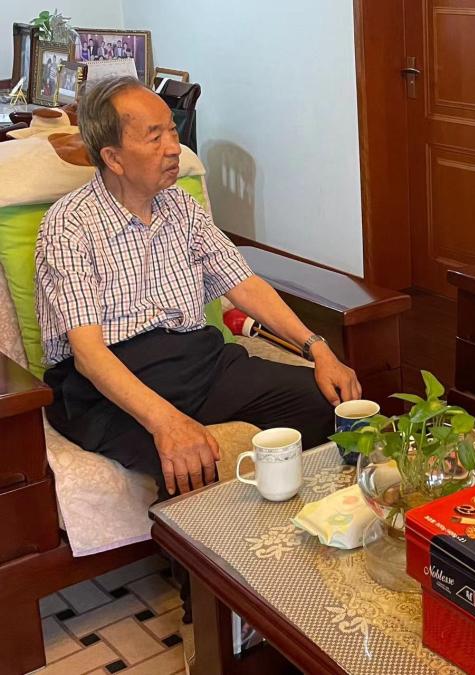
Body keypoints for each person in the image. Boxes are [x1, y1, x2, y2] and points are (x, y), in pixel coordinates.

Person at [36, 76, 361, 500]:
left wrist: (318, 349)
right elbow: (89, 356)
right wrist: (166, 422)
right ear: (113, 158)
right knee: (188, 465)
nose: (174, 147)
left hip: (196, 360)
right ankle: (207, 545)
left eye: (172, 131)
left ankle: (313, 521)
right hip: (108, 384)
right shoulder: (68, 225)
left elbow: (244, 284)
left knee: (325, 404)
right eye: (155, 137)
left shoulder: (182, 206)